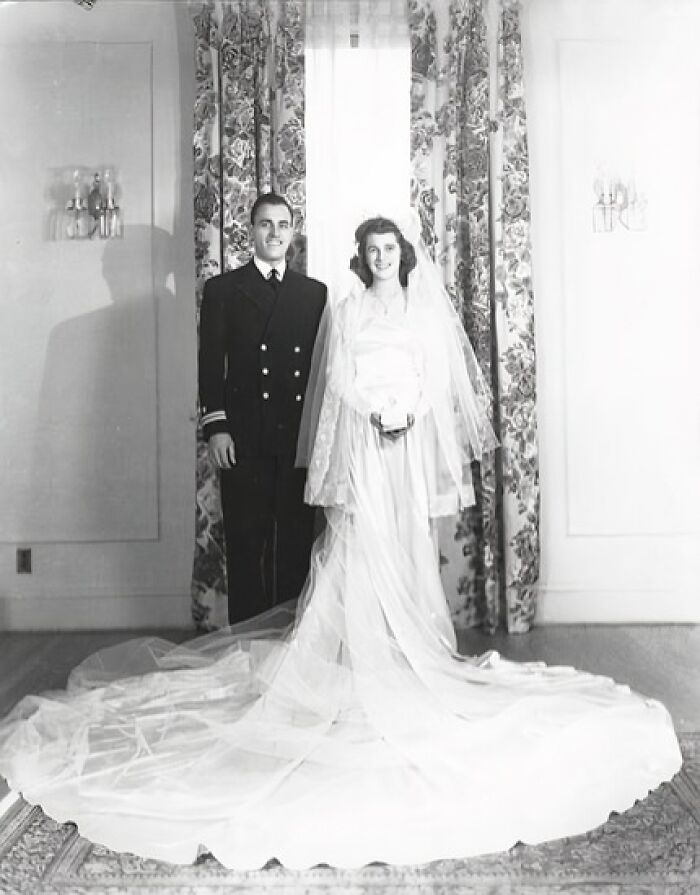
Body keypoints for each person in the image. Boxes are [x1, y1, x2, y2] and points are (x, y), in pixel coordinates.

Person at [0, 216, 682, 870]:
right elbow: (337, 381)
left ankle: (410, 652)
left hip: (406, 446)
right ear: (362, 256)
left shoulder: (421, 309)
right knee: (358, 544)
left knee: (405, 544)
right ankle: (353, 651)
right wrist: (373, 412)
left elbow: (436, 379)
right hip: (365, 442)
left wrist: (408, 412)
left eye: (391, 249)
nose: (382, 258)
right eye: (372, 250)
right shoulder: (347, 309)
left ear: (404, 255)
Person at [198, 192, 327, 623]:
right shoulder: (223, 290)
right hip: (243, 437)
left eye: (282, 225)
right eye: (265, 224)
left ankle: (289, 639)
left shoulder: (313, 293)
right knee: (247, 543)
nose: (274, 233)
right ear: (250, 230)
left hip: (296, 439)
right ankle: (246, 641)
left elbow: (320, 370)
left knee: (294, 544)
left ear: (292, 232)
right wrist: (216, 427)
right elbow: (210, 364)